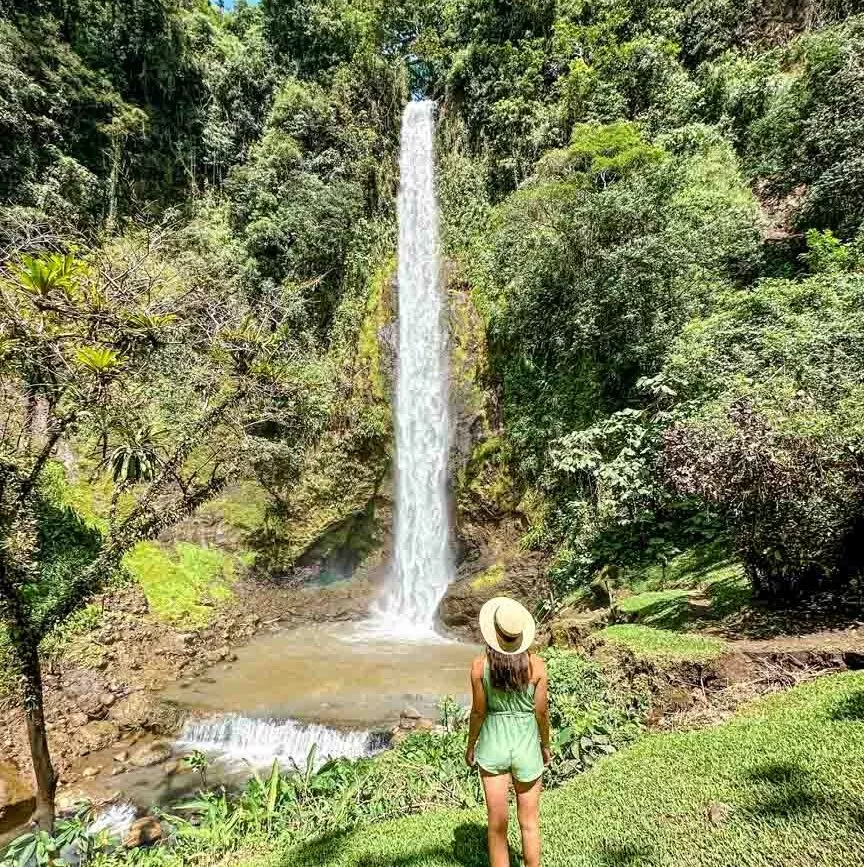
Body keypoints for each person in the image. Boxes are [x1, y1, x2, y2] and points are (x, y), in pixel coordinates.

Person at [465, 596, 551, 867]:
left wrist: (471, 745)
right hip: (526, 745)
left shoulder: (479, 666)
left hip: (493, 745)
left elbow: (478, 712)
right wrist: (545, 745)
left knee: (497, 825)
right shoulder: (537, 666)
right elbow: (541, 712)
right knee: (529, 823)